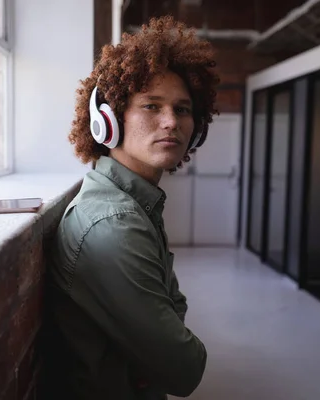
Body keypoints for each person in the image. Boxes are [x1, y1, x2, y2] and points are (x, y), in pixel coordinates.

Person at [42, 15, 219, 400]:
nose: (171, 122)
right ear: (107, 121)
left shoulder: (135, 202)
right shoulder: (115, 224)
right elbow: (185, 367)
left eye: (183, 109)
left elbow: (175, 309)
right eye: (151, 106)